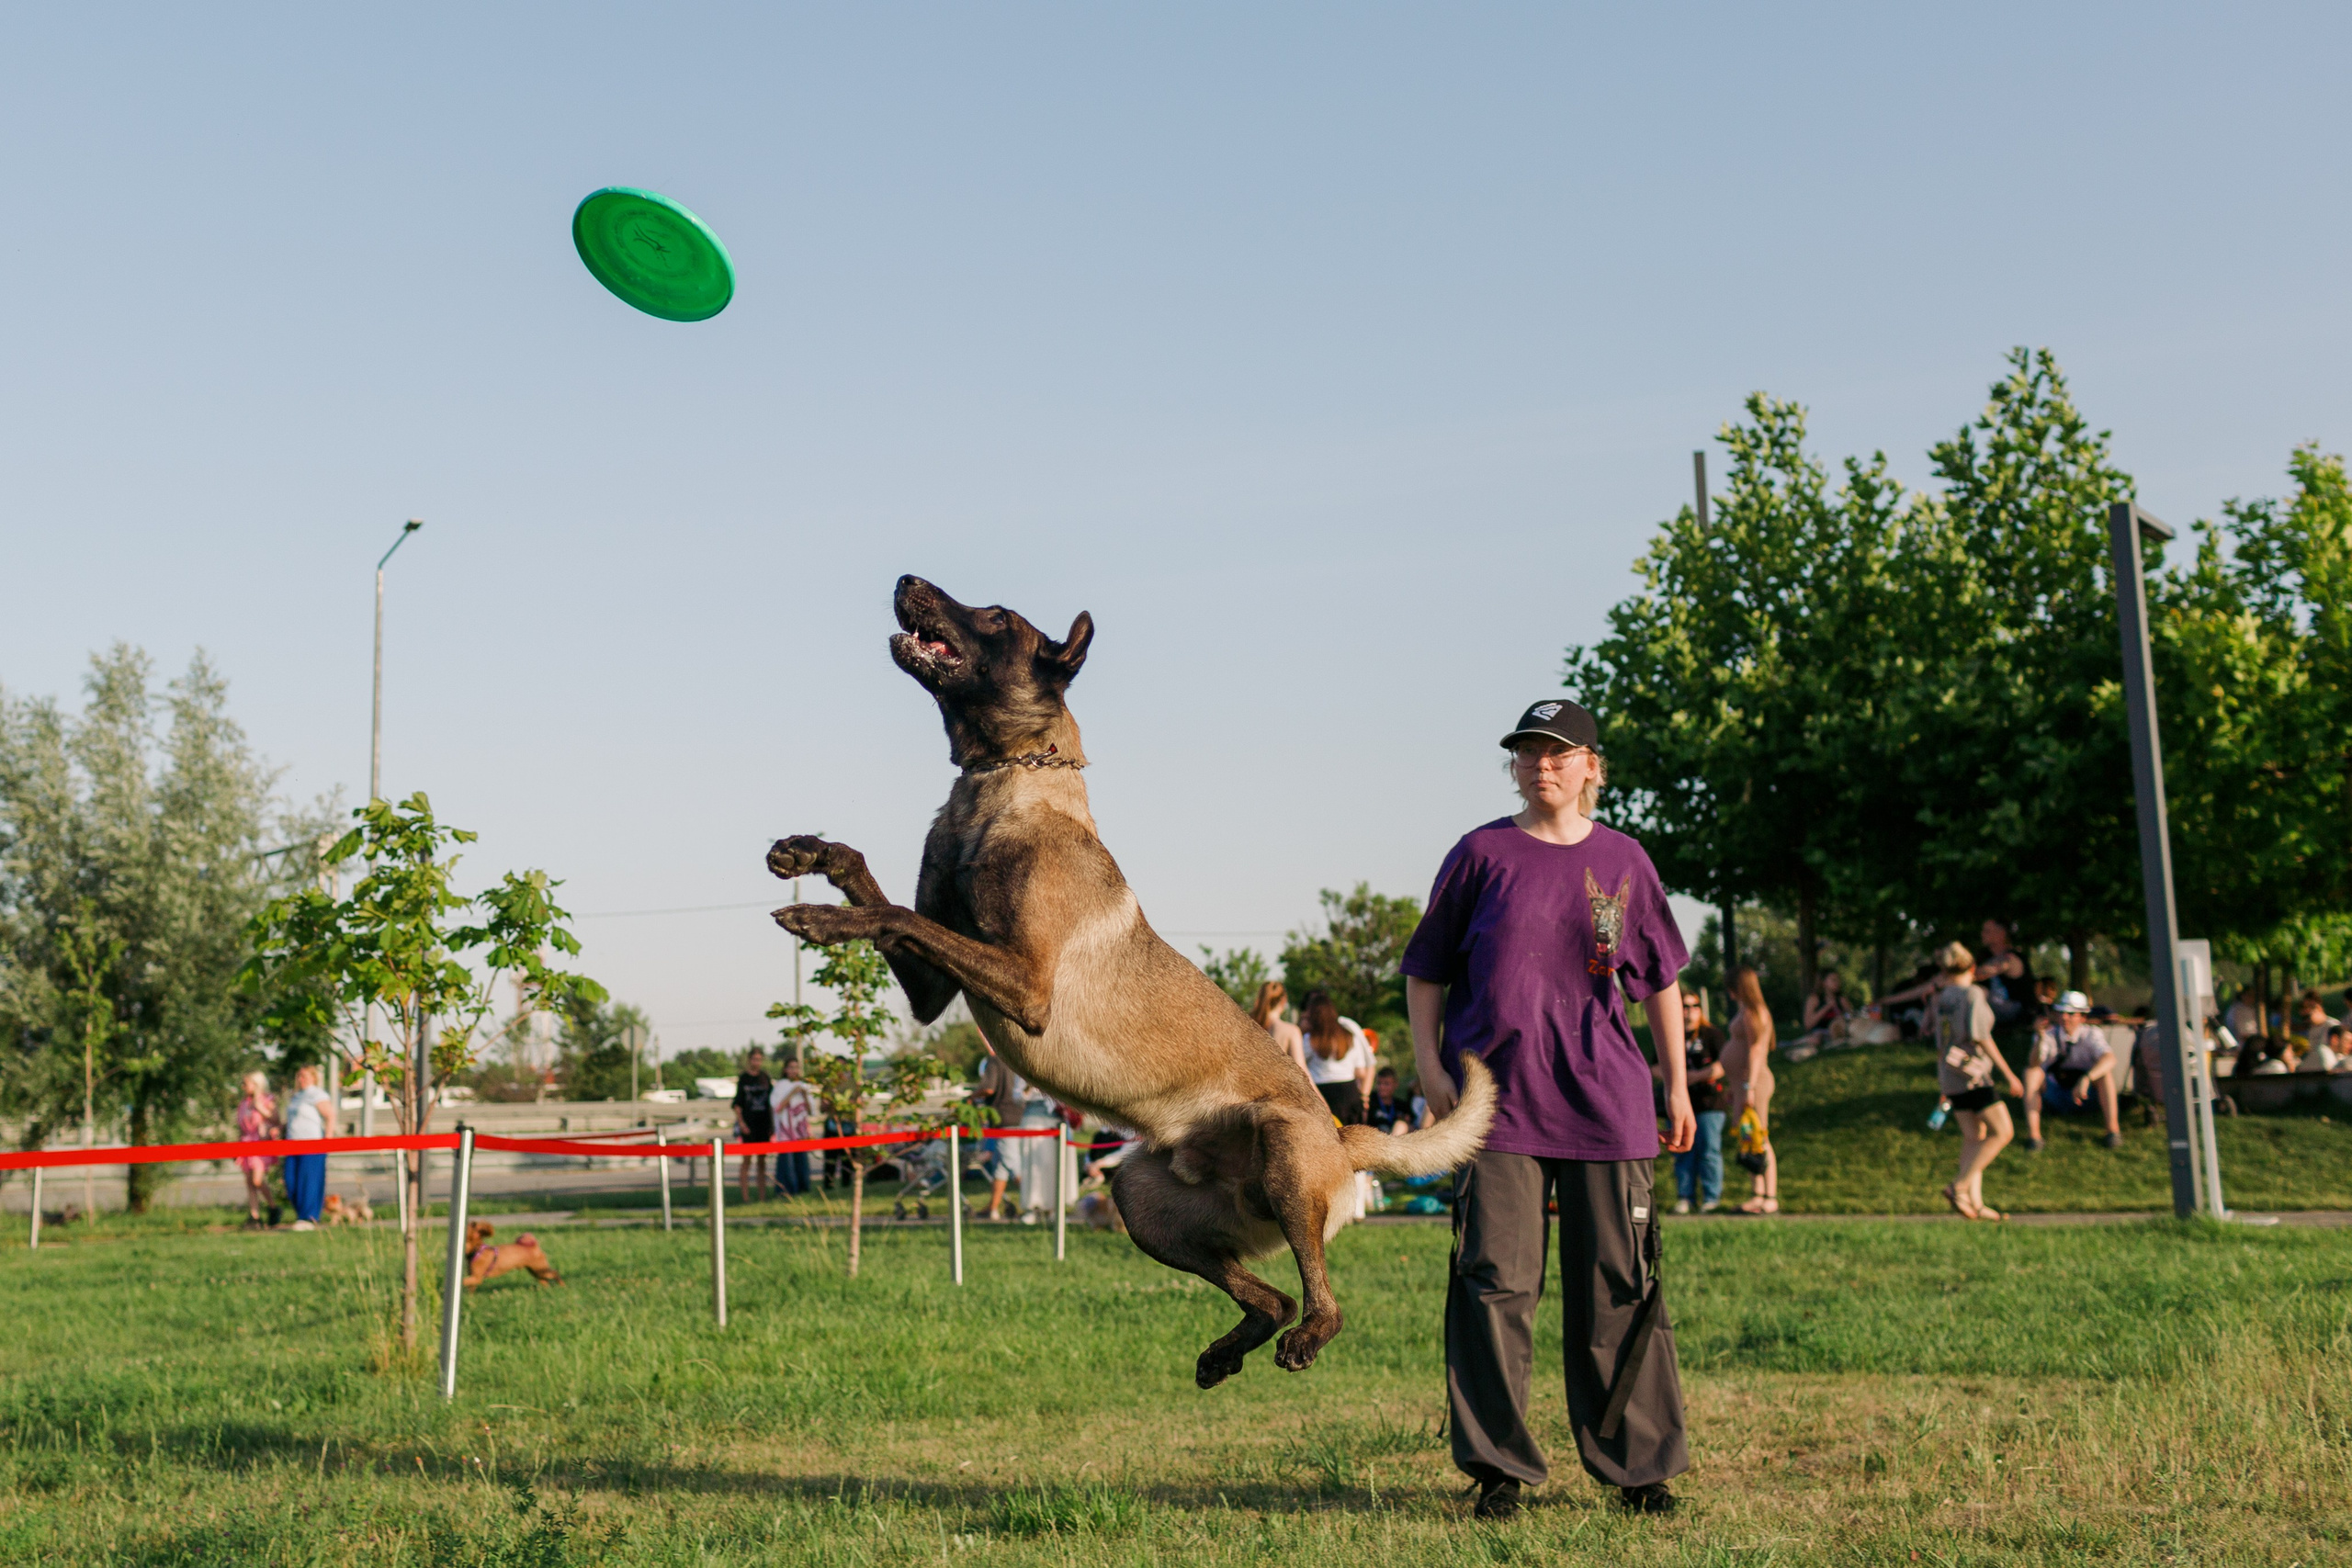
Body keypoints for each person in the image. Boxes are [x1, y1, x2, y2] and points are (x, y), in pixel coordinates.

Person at [1404, 697, 1695, 1520]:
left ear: (1592, 767)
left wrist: (1675, 1082)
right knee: (1495, 1282)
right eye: (1530, 752)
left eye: (1561, 752)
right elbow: (1426, 968)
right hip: (1494, 1109)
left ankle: (1639, 1467)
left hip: (1609, 1104)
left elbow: (1662, 980)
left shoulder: (1626, 860)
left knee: (1620, 1283)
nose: (1543, 765)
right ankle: (1499, 1467)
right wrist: (1429, 1066)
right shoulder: (1480, 854)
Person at [1929, 942, 2024, 1221]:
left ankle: (1975, 1202)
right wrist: (2009, 1074)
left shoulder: (1942, 997)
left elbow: (1940, 1040)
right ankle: (1959, 1186)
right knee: (2003, 1132)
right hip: (1973, 1075)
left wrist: (1942, 1083)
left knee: (1974, 1137)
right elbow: (1980, 1036)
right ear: (1972, 968)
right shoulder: (1971, 994)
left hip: (1950, 1074)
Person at [2023, 991, 2123, 1149]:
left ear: (2082, 1017)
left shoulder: (2092, 1034)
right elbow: (2033, 1063)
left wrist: (2087, 1078)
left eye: (2070, 1013)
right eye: (2061, 1012)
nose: (2064, 1017)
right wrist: (2040, 1038)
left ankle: (2112, 1131)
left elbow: (2109, 1059)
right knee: (2031, 1073)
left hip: (2085, 1095)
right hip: (2055, 1093)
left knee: (2105, 1075)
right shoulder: (2048, 1034)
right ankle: (2034, 1137)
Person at [1657, 990, 1725, 1213]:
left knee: (1709, 1150)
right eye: (1684, 1006)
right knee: (1682, 1151)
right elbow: (1652, 1066)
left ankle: (1711, 1198)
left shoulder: (1711, 1035)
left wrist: (1692, 1076)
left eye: (1694, 1006)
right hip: (1677, 1104)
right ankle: (1685, 1197)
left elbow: (1723, 1065)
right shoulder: (1670, 1033)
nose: (1689, 1011)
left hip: (1708, 1103)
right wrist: (1674, 1079)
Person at [1718, 968, 1779, 1215]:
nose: (1729, 993)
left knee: (1760, 1137)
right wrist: (1735, 1088)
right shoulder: (1745, 1011)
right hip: (1741, 1086)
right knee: (1748, 1138)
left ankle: (1770, 1196)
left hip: (1754, 1083)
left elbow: (1755, 1051)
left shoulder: (1756, 1013)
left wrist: (1749, 1087)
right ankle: (1757, 1193)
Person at [1297, 991, 1376, 1126]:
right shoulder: (1348, 1034)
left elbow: (1295, 1061)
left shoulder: (1310, 1039)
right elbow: (1361, 1072)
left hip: (1322, 1095)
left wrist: (1300, 1030)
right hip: (1349, 1093)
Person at [971, 1048, 1024, 1220]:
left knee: (1012, 1164)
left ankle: (1036, 1205)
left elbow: (988, 1089)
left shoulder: (994, 1061)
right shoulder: (1017, 1058)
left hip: (1004, 1119)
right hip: (1020, 1117)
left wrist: (970, 1097)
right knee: (1000, 1166)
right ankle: (992, 1207)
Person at [280, 1065, 334, 1232]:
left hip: (312, 1143)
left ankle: (308, 1217)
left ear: (313, 1077)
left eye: (304, 1076)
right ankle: (301, 1215)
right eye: (299, 1076)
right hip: (293, 1143)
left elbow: (330, 1116)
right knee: (291, 1181)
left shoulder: (317, 1094)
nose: (300, 1079)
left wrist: (328, 1141)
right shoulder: (296, 1096)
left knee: (309, 1181)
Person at [232, 1071, 279, 1229]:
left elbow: (276, 1119)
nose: (243, 1087)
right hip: (246, 1143)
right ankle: (254, 1215)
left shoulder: (267, 1100)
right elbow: (241, 1126)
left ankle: (273, 1207)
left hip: (261, 1142)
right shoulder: (244, 1104)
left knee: (257, 1180)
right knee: (249, 1182)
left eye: (246, 1084)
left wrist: (261, 1109)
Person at [732, 1048, 776, 1201]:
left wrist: (772, 1125)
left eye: (759, 1059)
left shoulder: (765, 1078)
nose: (756, 1062)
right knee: (747, 1160)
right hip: (748, 1125)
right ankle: (745, 1197)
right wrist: (741, 1124)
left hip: (763, 1124)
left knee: (762, 1162)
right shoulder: (744, 1079)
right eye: (754, 1059)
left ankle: (762, 1197)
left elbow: (771, 1103)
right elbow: (737, 1105)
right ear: (749, 1060)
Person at [773, 1055, 814, 1196]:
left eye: (796, 1067)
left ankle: (803, 1189)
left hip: (800, 1131)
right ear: (785, 1069)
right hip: (786, 1132)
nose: (794, 1070)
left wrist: (804, 1095)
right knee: (787, 1163)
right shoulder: (780, 1086)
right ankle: (786, 1191)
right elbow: (777, 1108)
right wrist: (791, 1093)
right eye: (791, 1067)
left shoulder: (804, 1085)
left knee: (801, 1162)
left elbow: (811, 1110)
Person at [1251, 981, 1308, 1077]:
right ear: (1283, 1000)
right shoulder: (1290, 1031)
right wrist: (1316, 1092)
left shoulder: (1249, 1027)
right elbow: (1302, 1071)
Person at [1797, 971, 1852, 1046]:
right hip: (1819, 1034)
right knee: (1816, 1040)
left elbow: (1851, 1018)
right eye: (1833, 980)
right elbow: (1808, 1025)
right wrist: (1827, 1007)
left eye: (1838, 980)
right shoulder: (1814, 999)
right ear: (1823, 982)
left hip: (1839, 1032)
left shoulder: (1842, 1000)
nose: (1837, 982)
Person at [1365, 1066, 1414, 1134]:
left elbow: (1412, 1125)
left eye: (1386, 1084)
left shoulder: (1402, 1106)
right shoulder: (1369, 1101)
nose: (1382, 1087)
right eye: (1379, 1083)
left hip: (1395, 1138)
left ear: (1396, 1084)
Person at [2296, 992, 2340, 1056]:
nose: (2303, 1012)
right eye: (2302, 1008)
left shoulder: (2333, 1026)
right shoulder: (2312, 1029)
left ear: (2319, 1008)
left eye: (2309, 1007)